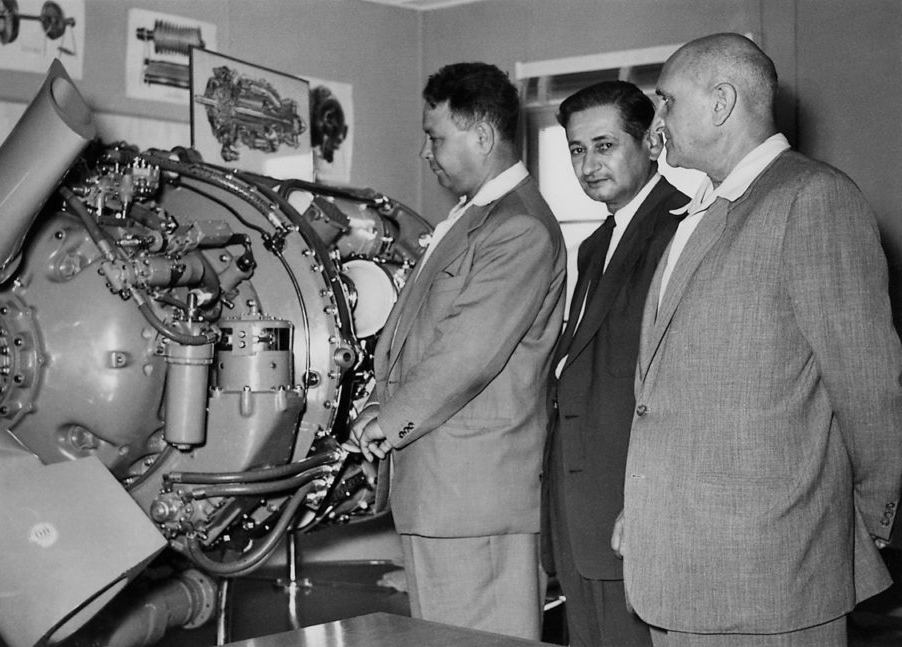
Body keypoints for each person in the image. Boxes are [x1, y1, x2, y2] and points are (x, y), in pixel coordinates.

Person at [613, 32, 902, 646]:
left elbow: (870, 389)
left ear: (721, 102)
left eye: (666, 100)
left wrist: (858, 522)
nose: (656, 119)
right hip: (677, 569)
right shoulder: (703, 208)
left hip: (771, 576)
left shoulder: (812, 198)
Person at [345, 61, 566, 640]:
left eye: (436, 137)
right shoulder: (474, 219)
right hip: (443, 495)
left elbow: (465, 356)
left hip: (476, 499)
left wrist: (382, 421)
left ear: (483, 136)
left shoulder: (518, 228)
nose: (426, 152)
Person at [541, 80, 688, 647]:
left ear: (652, 142)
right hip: (580, 507)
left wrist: (648, 504)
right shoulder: (595, 243)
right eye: (576, 150)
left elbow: (676, 387)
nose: (587, 164)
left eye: (603, 145)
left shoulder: (681, 227)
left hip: (631, 506)